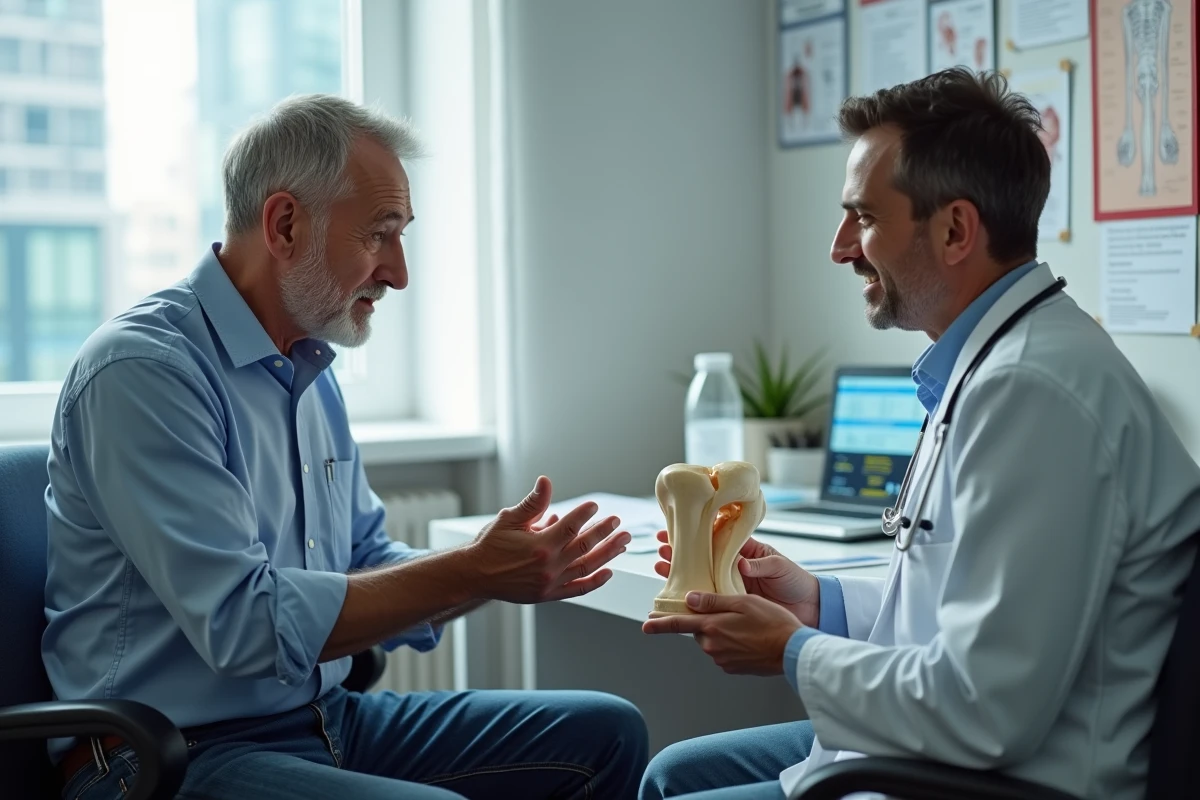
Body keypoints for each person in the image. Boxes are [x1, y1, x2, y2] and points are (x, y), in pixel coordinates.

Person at [43, 94, 648, 800]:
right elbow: (245, 627)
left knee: (609, 731)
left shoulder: (308, 367)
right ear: (285, 224)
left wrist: (500, 560)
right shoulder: (144, 372)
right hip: (160, 758)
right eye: (379, 235)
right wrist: (473, 571)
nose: (399, 273)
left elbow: (368, 561)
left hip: (322, 720)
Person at [640, 67, 1200, 800]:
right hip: (949, 752)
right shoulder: (994, 364)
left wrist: (793, 652)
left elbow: (986, 706)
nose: (840, 247)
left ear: (956, 229)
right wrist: (816, 603)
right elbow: (962, 607)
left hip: (1002, 778)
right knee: (671, 773)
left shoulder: (1032, 392)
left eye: (863, 218)